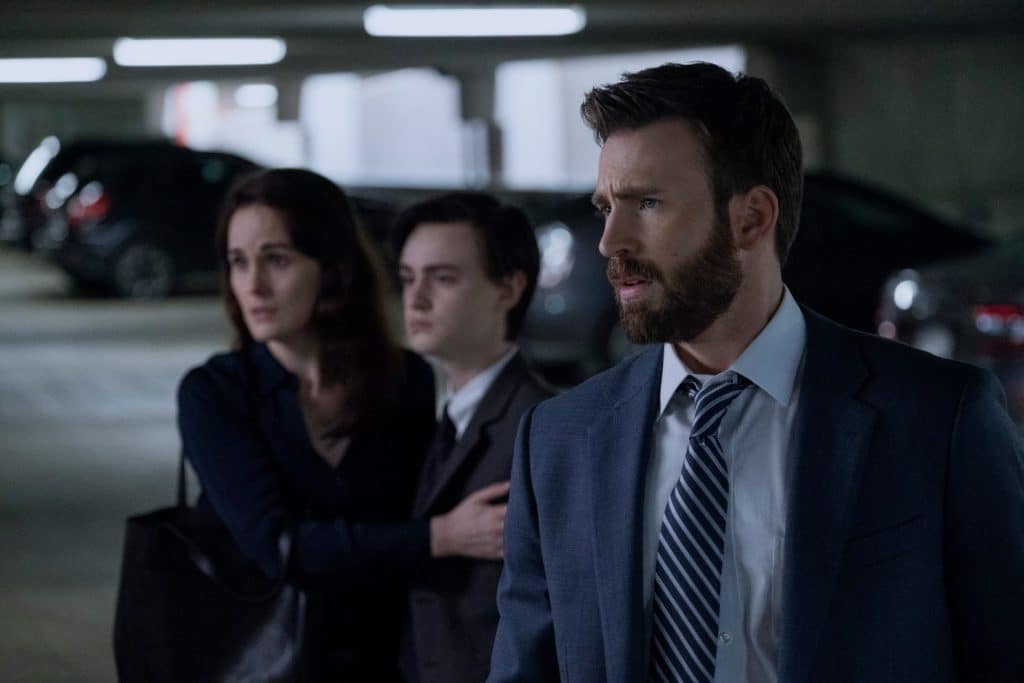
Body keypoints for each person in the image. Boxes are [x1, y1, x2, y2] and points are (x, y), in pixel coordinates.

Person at [489, 62, 1024, 683]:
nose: (611, 240)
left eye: (648, 203)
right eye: (606, 207)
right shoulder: (558, 441)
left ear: (752, 218)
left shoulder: (937, 418)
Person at [178, 169, 503, 680]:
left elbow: (407, 511)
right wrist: (437, 537)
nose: (253, 285)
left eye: (276, 259)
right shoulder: (214, 393)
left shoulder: (405, 379)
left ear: (331, 268)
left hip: (382, 660)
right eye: (238, 262)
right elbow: (278, 548)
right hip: (256, 663)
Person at [392, 192, 553, 683]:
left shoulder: (543, 426)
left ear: (508, 289)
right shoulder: (428, 415)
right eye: (408, 278)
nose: (416, 298)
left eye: (442, 278)